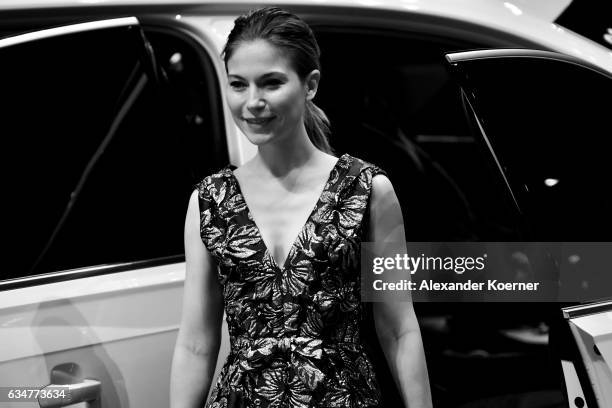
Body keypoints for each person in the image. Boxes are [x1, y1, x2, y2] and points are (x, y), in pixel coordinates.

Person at [170, 6, 432, 408]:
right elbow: (195, 344)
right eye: (238, 85)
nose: (253, 101)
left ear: (310, 85)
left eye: (271, 83)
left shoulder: (365, 190)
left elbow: (399, 330)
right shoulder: (210, 200)